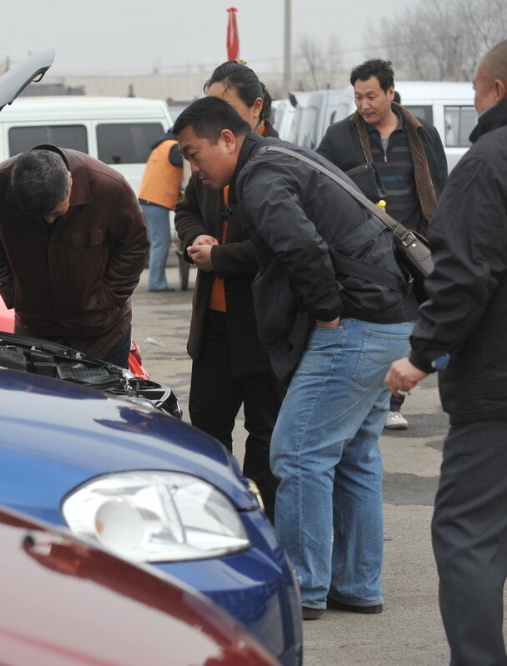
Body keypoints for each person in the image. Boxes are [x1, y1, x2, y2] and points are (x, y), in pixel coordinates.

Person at [172, 95, 416, 620]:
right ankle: (357, 584)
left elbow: (302, 249)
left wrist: (328, 313)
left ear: (229, 138)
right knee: (355, 456)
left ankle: (302, 586)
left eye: (195, 154)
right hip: (392, 316)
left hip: (356, 323)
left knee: (296, 451)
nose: (194, 168)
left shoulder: (260, 178)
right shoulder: (284, 156)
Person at [385, 39, 507, 664]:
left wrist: (421, 355)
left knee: (468, 536)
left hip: (495, 393)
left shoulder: (488, 162)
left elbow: (463, 276)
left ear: (496, 90)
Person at [173, 61, 282, 518]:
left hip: (262, 323)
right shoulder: (206, 161)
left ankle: (259, 523)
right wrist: (196, 237)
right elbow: (185, 209)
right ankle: (215, 520)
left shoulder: (275, 163)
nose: (217, 114)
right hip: (214, 322)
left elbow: (277, 248)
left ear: (254, 109)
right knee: (208, 428)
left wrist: (220, 257)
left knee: (266, 435)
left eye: (226, 105)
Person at [317, 58, 448, 431]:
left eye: (371, 96)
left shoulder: (423, 134)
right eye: (358, 97)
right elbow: (321, 184)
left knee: (411, 322)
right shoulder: (339, 136)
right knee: (375, 322)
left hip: (416, 245)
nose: (364, 105)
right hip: (365, 249)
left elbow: (442, 184)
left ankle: (393, 400)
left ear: (390, 92)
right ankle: (377, 398)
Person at [0, 145, 148, 368]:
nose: (49, 220)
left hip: (103, 333)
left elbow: (134, 247)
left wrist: (107, 299)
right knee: (41, 401)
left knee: (105, 402)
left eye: (56, 212)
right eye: (38, 216)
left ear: (70, 181)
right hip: (36, 328)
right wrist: (14, 291)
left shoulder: (109, 187)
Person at [137, 128, 185, 291]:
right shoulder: (173, 147)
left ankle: (158, 281)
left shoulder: (162, 146)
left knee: (158, 242)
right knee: (161, 243)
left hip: (149, 199)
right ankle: (156, 283)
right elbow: (184, 165)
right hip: (156, 200)